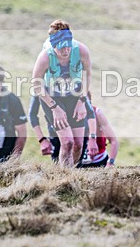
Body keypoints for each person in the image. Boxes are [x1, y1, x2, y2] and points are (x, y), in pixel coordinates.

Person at [31, 20, 98, 167]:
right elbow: (36, 84)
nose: (65, 51)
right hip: (52, 97)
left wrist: (82, 101)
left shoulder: (81, 50)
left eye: (68, 45)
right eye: (61, 48)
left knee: (79, 144)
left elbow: (87, 76)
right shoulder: (45, 57)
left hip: (74, 94)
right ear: (53, 45)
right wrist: (54, 108)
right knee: (67, 142)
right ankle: (63, 178)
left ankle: (72, 174)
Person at [29, 92, 119, 168]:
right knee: (60, 163)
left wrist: (92, 138)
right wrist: (42, 140)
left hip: (80, 138)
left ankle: (71, 175)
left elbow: (91, 112)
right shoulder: (41, 85)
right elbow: (32, 114)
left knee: (76, 157)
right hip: (56, 134)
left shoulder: (93, 111)